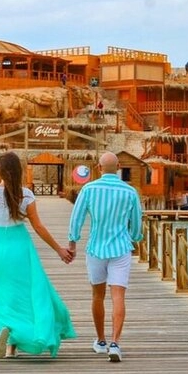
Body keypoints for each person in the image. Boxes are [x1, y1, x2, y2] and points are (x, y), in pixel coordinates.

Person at [0, 151, 76, 359]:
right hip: (21, 248)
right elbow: (38, 227)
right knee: (29, 293)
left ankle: (9, 336)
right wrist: (59, 249)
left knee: (4, 294)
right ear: (19, 171)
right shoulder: (26, 195)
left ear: (0, 172)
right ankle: (19, 340)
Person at [68, 151, 143, 363]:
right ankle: (115, 343)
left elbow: (76, 218)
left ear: (99, 168)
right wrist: (135, 237)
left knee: (97, 296)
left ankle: (101, 341)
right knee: (118, 296)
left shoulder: (89, 189)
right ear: (118, 167)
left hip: (96, 249)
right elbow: (137, 223)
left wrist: (73, 241)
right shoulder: (130, 191)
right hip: (121, 249)